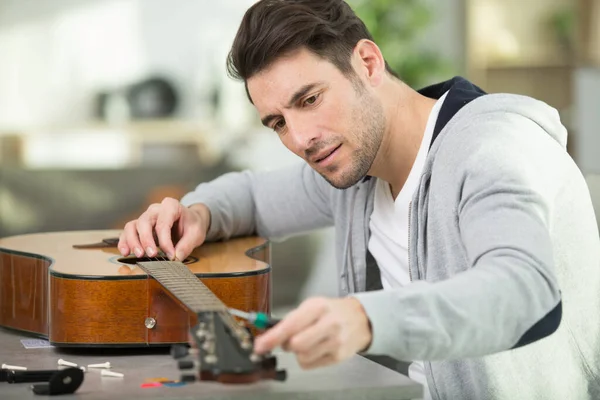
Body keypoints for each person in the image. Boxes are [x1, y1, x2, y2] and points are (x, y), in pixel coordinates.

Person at [117, 0, 600, 399]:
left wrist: (365, 319)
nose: (301, 137)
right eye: (278, 122)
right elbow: (253, 197)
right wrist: (195, 212)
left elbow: (524, 293)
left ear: (367, 63)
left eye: (309, 100)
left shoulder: (492, 148)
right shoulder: (355, 168)